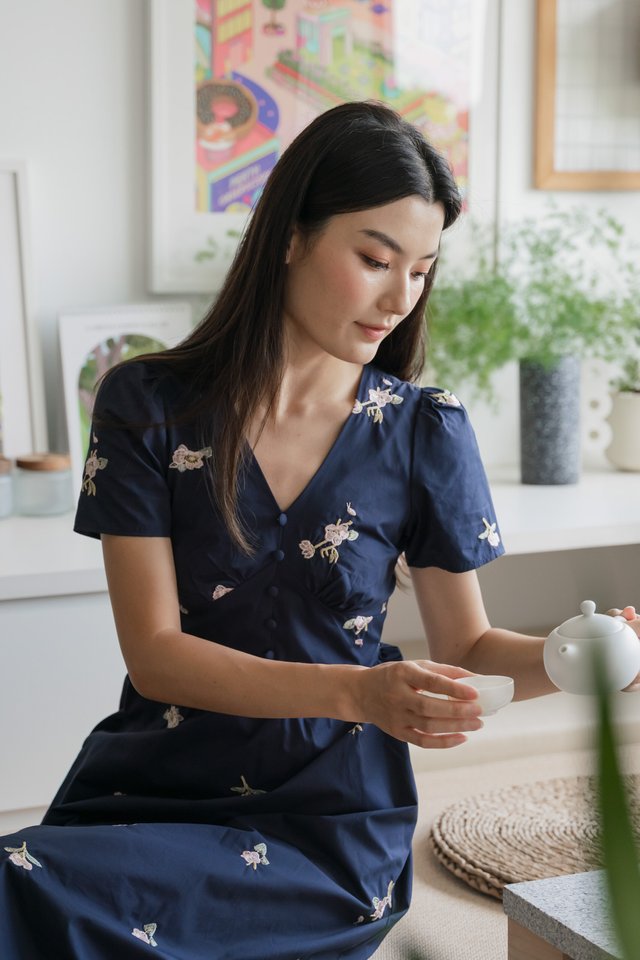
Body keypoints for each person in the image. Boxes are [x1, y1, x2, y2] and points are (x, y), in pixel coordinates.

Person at [1, 100, 638, 959]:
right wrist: (360, 691)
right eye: (375, 259)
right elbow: (153, 652)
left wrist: (577, 656)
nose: (398, 297)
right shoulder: (148, 404)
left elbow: (472, 648)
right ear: (291, 235)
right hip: (153, 783)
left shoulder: (423, 430)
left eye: (420, 270)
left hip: (326, 824)